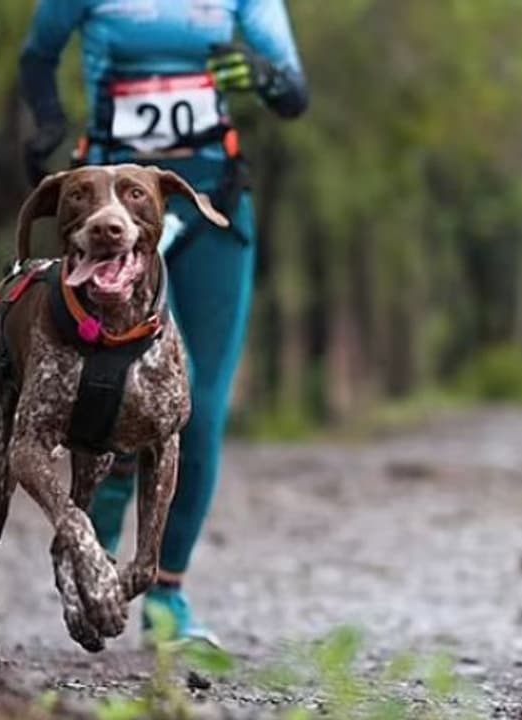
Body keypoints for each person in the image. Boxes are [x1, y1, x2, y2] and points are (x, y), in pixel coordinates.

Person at [18, 0, 309, 646]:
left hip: (210, 198)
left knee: (197, 404)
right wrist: (45, 124)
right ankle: (103, 523)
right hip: (113, 207)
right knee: (116, 393)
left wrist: (265, 75)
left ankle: (166, 597)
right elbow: (37, 57)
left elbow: (293, 94)